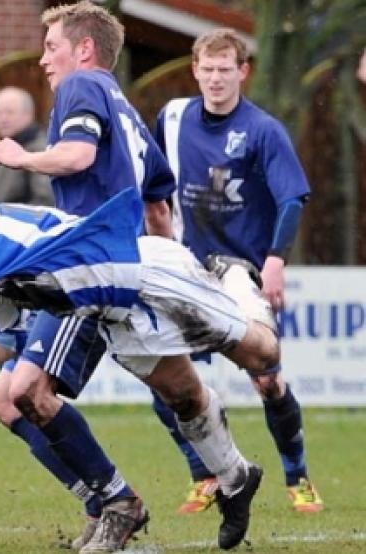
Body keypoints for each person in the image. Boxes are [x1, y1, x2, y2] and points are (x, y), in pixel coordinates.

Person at [0, 188, 276, 552]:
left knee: (262, 354)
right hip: (105, 311)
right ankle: (236, 477)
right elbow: (6, 342)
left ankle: (235, 274)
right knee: (181, 395)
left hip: (135, 272)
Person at [0, 2, 175, 551]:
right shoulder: (125, 106)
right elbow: (159, 202)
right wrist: (164, 263)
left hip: (88, 262)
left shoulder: (81, 86)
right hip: (92, 259)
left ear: (84, 49)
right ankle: (104, 499)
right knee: (6, 397)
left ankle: (119, 502)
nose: (44, 60)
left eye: (51, 47)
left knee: (28, 391)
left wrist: (21, 156)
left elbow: (76, 156)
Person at [153, 28, 323, 513]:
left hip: (242, 273)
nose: (215, 79)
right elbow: (149, 186)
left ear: (242, 71)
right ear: (195, 70)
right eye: (206, 69)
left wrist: (275, 260)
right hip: (186, 269)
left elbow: (291, 197)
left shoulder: (264, 130)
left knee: (267, 380)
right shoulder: (173, 118)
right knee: (162, 377)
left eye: (225, 69)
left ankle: (298, 477)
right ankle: (203, 476)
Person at [0, 87, 54, 206]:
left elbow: (45, 202)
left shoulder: (39, 151)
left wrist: (5, 220)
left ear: (28, 114)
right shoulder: (2, 150)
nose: (3, 119)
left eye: (10, 112)